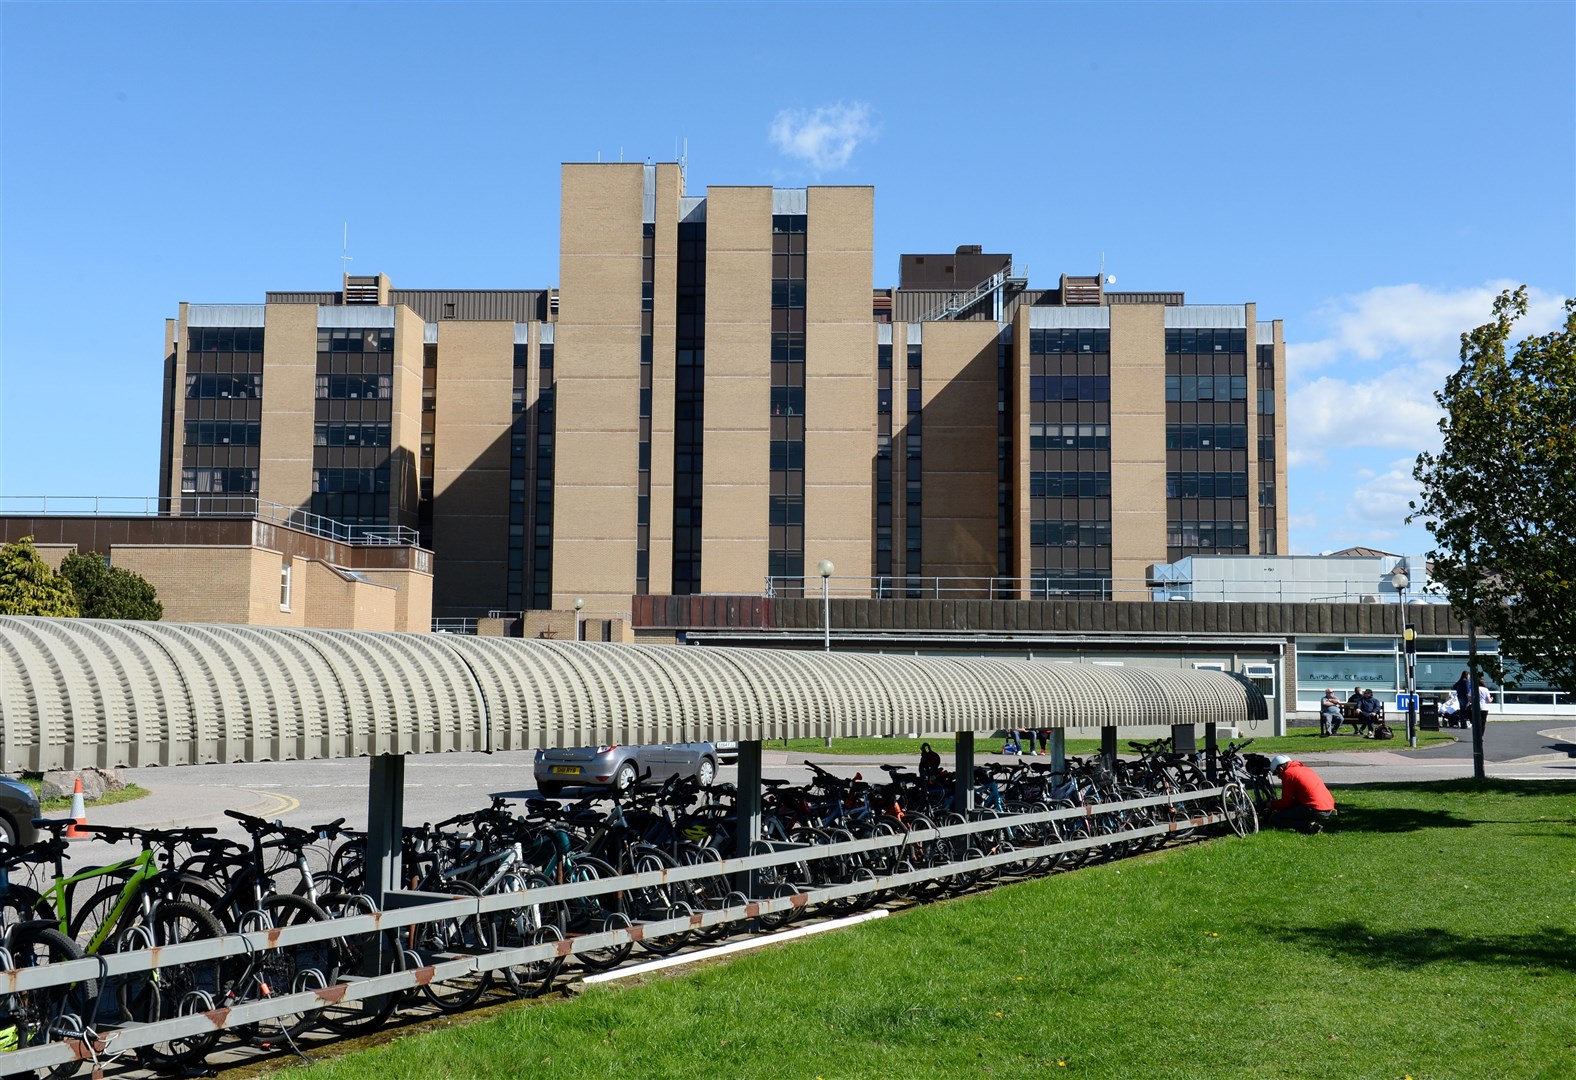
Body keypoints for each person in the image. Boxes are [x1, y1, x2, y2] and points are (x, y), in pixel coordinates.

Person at [1266, 754, 1336, 833]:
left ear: (1281, 768)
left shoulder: (1288, 773)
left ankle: (1309, 827)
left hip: (1315, 808)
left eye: (1277, 773)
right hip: (1328, 806)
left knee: (1275, 819)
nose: (1279, 777)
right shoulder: (1304, 769)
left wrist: (1272, 805)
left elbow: (1286, 803)